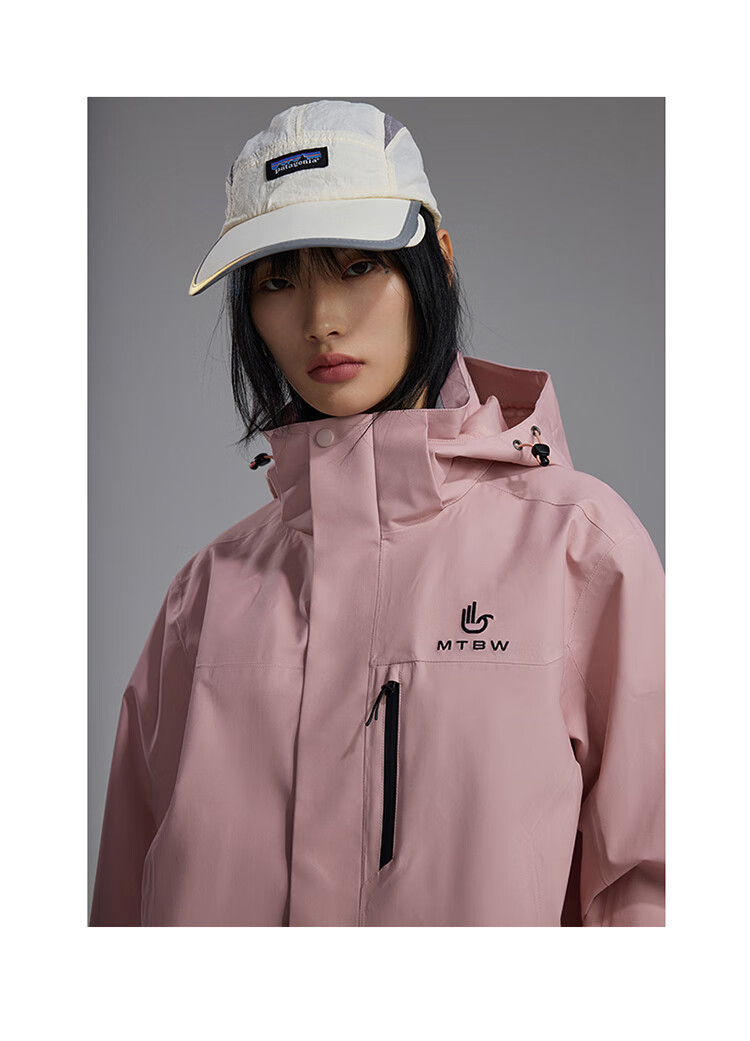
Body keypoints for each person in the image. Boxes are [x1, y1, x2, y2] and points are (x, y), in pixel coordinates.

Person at [89, 99, 665, 927]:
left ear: (439, 262)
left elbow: (655, 890)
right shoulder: (203, 598)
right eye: (277, 280)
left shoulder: (578, 551)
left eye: (356, 265)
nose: (319, 318)